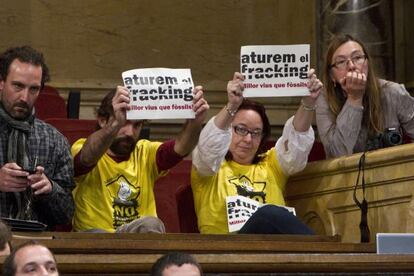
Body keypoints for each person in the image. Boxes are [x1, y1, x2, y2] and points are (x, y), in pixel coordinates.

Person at [191, 70, 323, 234]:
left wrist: (309, 102)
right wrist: (232, 105)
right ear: (228, 130)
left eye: (255, 133)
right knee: (270, 212)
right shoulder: (210, 169)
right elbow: (208, 147)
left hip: (276, 250)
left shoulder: (271, 165)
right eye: (241, 129)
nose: (248, 139)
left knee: (272, 214)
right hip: (228, 250)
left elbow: (296, 144)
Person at [71, 85, 209, 233]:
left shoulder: (144, 151)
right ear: (103, 121)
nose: (130, 133)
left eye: (137, 125)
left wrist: (195, 121)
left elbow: (182, 147)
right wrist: (115, 124)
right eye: (125, 123)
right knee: (97, 234)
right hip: (93, 238)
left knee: (151, 224)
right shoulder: (81, 146)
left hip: (136, 237)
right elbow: (86, 158)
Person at [0, 46, 74, 229]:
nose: (24, 97)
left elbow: (66, 215)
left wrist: (50, 189)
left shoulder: (55, 141)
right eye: (17, 86)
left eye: (33, 89)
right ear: (1, 83)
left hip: (36, 241)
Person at [316, 34, 414, 158]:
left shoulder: (393, 92)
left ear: (367, 63)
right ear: (332, 76)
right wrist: (354, 98)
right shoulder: (324, 100)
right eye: (341, 61)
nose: (351, 66)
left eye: (357, 57)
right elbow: (337, 154)